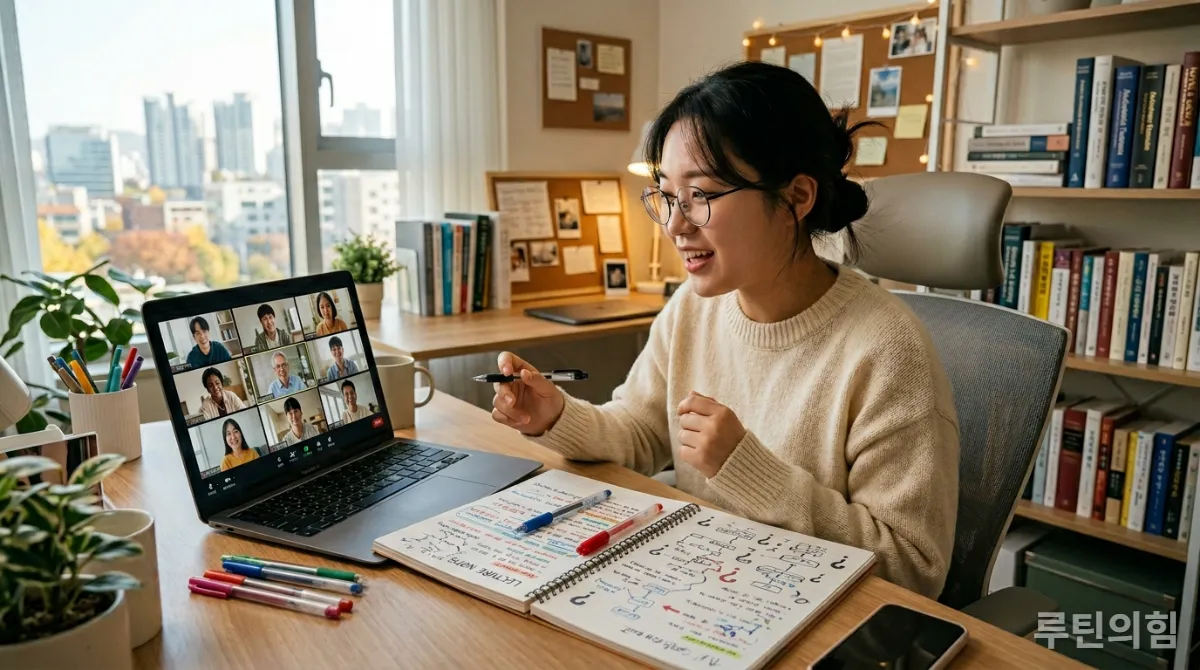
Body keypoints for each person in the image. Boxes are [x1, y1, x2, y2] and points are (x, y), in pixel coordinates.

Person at [488, 61, 959, 599]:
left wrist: (748, 470)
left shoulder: (888, 350)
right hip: (704, 594)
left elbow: (914, 569)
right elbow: (642, 432)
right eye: (666, 194)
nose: (675, 225)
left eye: (702, 195)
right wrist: (555, 416)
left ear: (796, 199)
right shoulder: (694, 306)